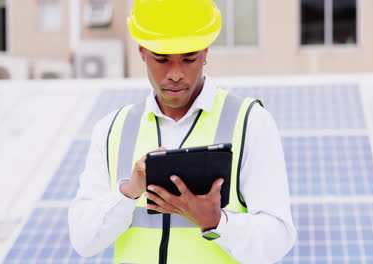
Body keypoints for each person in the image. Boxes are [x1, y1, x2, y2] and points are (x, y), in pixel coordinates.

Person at [68, 0, 296, 263]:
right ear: (142, 52)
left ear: (206, 51)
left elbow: (278, 240)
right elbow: (83, 241)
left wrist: (215, 222)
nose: (176, 74)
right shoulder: (112, 129)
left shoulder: (250, 122)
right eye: (162, 59)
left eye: (189, 58)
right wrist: (129, 192)